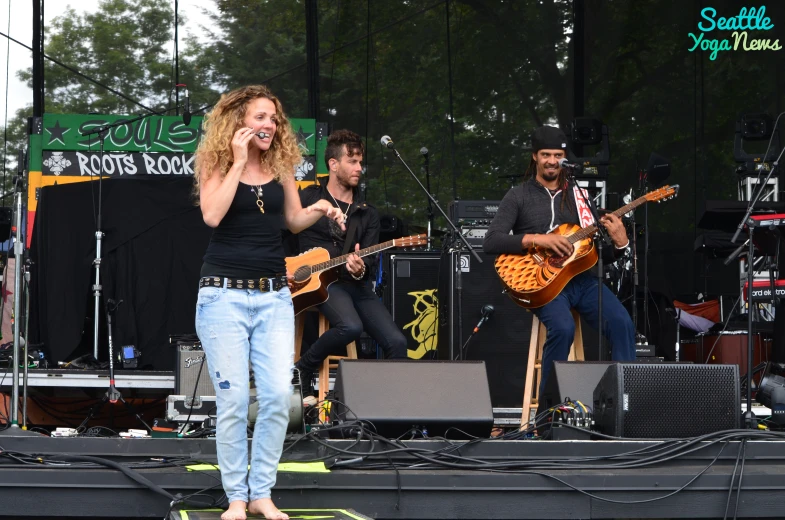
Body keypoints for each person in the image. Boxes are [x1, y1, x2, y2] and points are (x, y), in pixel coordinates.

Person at [194, 85, 344, 520]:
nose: (269, 125)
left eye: (274, 119)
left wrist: (320, 208)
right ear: (239, 121)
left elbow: (293, 220)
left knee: (279, 396)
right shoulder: (216, 164)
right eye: (261, 117)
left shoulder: (281, 167)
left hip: (273, 295)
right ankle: (236, 499)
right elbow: (212, 216)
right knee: (235, 400)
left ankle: (261, 493)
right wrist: (239, 162)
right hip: (222, 296)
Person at [483, 125, 636, 414]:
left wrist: (620, 243)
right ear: (534, 157)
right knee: (563, 327)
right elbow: (491, 241)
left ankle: (624, 409)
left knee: (622, 323)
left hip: (582, 281)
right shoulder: (518, 196)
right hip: (543, 284)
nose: (552, 161)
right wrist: (538, 238)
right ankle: (547, 413)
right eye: (546, 155)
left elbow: (597, 255)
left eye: (558, 155)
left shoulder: (579, 197)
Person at [293, 129, 408, 387]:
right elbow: (286, 231)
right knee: (351, 327)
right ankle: (303, 367)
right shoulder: (309, 197)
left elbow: (367, 265)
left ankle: (387, 412)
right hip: (319, 283)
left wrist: (359, 270)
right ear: (333, 165)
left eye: (360, 162)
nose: (359, 168)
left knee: (398, 343)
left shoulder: (367, 214)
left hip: (354, 285)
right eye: (352, 161)